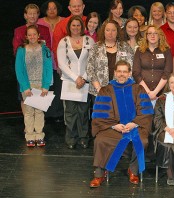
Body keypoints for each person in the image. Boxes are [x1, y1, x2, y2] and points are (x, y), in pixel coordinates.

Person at [89, 60, 154, 188]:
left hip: (135, 127)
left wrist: (134, 123)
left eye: (125, 71)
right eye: (119, 71)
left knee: (142, 140)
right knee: (100, 140)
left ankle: (133, 170)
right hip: (112, 128)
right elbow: (99, 115)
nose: (122, 74)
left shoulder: (138, 89)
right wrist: (114, 125)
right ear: (115, 73)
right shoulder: (105, 90)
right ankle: (100, 173)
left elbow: (146, 112)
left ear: (129, 73)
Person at [57, 16, 93, 149]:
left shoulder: (89, 40)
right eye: (73, 25)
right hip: (69, 81)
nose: (76, 28)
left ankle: (84, 137)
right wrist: (75, 78)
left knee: (83, 111)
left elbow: (92, 61)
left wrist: (83, 78)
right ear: (69, 27)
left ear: (82, 27)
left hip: (85, 81)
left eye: (78, 25)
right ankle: (71, 138)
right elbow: (62, 63)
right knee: (70, 113)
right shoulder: (64, 42)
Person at [15, 25, 53, 147]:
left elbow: (48, 68)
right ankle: (30, 136)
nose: (32, 37)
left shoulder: (45, 49)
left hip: (41, 85)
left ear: (38, 35)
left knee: (40, 111)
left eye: (34, 34)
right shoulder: (21, 50)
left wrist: (46, 85)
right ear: (26, 36)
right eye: (29, 35)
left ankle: (39, 135)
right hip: (28, 86)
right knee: (29, 112)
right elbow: (19, 69)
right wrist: (25, 87)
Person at [87, 20, 134, 96]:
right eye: (108, 30)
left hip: (121, 91)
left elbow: (131, 68)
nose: (110, 33)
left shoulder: (125, 47)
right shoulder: (96, 47)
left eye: (113, 30)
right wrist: (99, 89)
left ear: (117, 32)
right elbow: (89, 69)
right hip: (98, 91)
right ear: (103, 31)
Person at [133, 25, 173, 102]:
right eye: (150, 33)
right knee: (144, 114)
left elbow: (167, 72)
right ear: (146, 36)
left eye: (155, 33)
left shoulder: (166, 50)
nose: (152, 35)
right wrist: (148, 92)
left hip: (162, 93)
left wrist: (155, 92)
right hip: (142, 92)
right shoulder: (139, 50)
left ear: (160, 36)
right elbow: (136, 72)